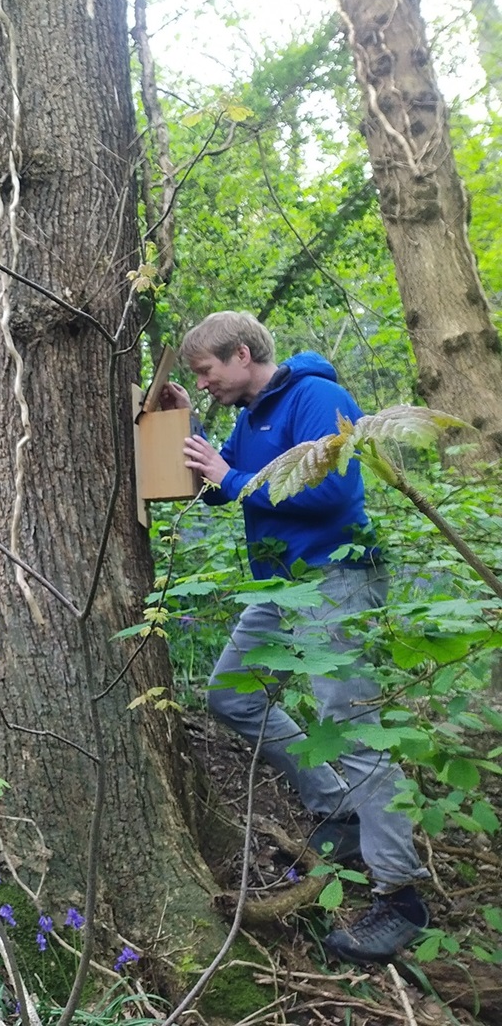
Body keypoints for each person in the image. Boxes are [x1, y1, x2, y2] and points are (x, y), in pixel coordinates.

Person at [159, 310, 430, 964]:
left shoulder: (317, 397)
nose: (208, 380)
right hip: (282, 589)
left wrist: (232, 479)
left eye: (208, 371)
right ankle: (339, 811)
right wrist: (192, 422)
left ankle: (401, 896)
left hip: (336, 578)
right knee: (232, 697)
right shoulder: (251, 416)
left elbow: (332, 495)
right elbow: (230, 490)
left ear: (244, 353)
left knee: (356, 729)